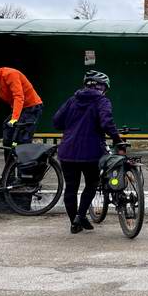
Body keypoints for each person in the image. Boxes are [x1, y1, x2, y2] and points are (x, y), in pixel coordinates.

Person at [52, 71, 122, 234]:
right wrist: (117, 139)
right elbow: (107, 123)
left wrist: (72, 128)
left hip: (67, 152)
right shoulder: (102, 101)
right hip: (91, 153)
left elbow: (56, 121)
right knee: (91, 183)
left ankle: (74, 222)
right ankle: (81, 215)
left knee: (71, 187)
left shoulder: (72, 100)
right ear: (102, 87)